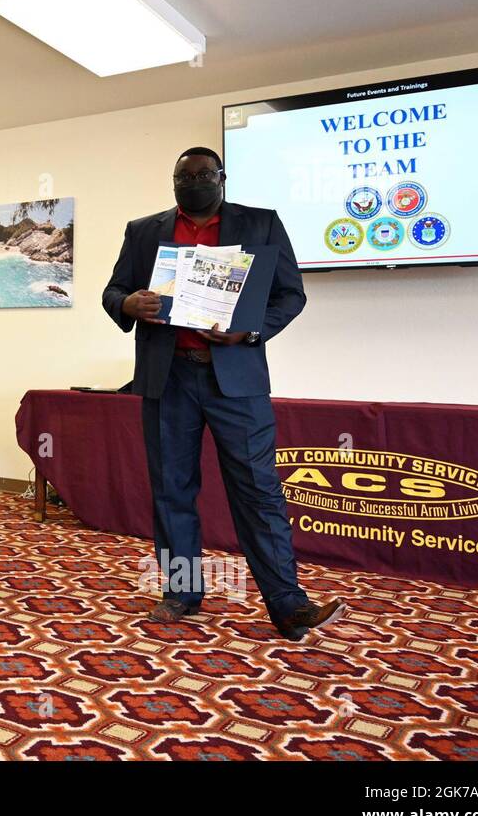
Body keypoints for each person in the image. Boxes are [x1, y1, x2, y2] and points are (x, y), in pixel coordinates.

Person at [101, 147, 344, 642]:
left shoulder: (261, 224)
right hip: (167, 379)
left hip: (234, 380)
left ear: (222, 178)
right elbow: (114, 292)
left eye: (202, 175)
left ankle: (288, 603)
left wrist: (249, 331)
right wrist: (129, 302)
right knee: (172, 490)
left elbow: (291, 295)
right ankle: (182, 592)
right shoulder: (144, 231)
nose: (192, 182)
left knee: (258, 491)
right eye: (182, 176)